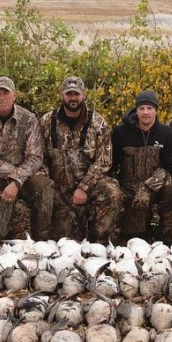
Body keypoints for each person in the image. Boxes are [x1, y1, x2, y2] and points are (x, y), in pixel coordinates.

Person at [0, 76, 53, 242]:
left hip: (27, 178)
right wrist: (14, 175)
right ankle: (7, 233)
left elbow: (35, 157)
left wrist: (16, 181)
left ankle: (40, 241)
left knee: (45, 187)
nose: (2, 97)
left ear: (14, 95)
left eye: (6, 92)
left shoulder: (28, 119)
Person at [38, 77, 123, 241]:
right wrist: (47, 181)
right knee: (64, 242)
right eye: (69, 94)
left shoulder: (98, 123)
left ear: (84, 95)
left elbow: (104, 161)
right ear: (62, 95)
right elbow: (38, 158)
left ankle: (100, 240)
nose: (73, 98)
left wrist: (83, 187)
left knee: (111, 191)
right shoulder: (47, 121)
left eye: (76, 94)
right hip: (58, 188)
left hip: (90, 185)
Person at [110, 90, 172, 243]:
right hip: (130, 190)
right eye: (142, 108)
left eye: (150, 108)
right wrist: (119, 189)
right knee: (135, 238)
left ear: (156, 110)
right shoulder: (120, 133)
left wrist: (147, 188)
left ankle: (170, 238)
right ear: (136, 110)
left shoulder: (168, 134)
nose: (146, 112)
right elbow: (111, 165)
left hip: (158, 188)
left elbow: (171, 168)